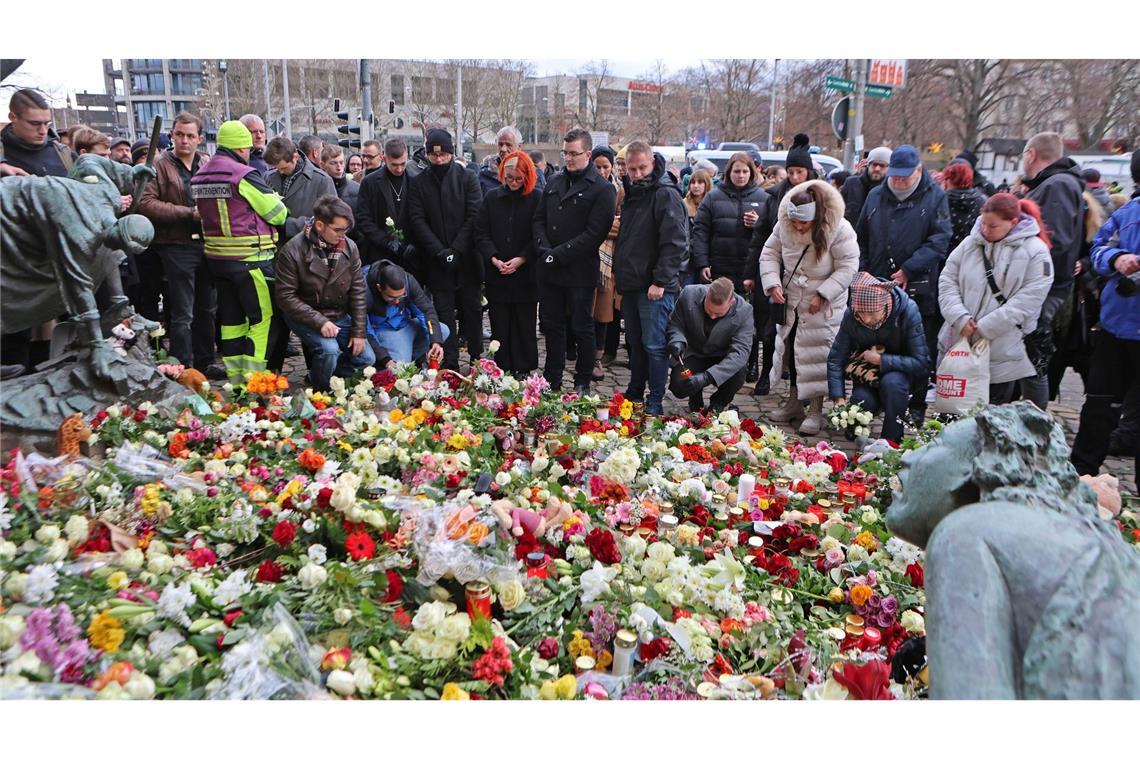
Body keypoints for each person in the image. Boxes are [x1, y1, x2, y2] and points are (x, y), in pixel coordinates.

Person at [856, 143, 951, 422]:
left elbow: (940, 240)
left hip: (917, 286)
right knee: (876, 343)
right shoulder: (875, 195)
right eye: (894, 175)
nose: (897, 180)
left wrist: (909, 268)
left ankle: (916, 404)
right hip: (876, 285)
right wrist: (863, 273)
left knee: (919, 346)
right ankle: (871, 400)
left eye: (904, 176)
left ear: (919, 171)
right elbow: (861, 237)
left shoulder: (934, 197)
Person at [190, 120, 288, 380]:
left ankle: (236, 381)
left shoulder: (200, 175)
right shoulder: (243, 174)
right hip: (251, 260)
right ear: (242, 147)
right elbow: (278, 214)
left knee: (232, 322)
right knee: (262, 319)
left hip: (217, 260)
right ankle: (254, 381)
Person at [760, 179, 859, 435]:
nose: (797, 227)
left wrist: (824, 294)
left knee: (818, 356)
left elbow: (848, 265)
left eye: (803, 223)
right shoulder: (784, 224)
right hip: (792, 301)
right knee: (793, 352)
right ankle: (794, 402)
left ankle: (815, 410)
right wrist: (772, 284)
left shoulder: (840, 229)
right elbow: (769, 254)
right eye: (794, 222)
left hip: (823, 306)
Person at [937, 192, 1055, 406]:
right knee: (951, 411)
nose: (985, 230)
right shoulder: (969, 244)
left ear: (1013, 222)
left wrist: (984, 328)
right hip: (959, 340)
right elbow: (947, 279)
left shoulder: (1036, 252)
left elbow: (1028, 300)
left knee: (988, 413)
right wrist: (959, 316)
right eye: (983, 224)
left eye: (993, 226)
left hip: (1002, 347)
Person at [1071, 158, 1140, 491]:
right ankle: (1080, 476)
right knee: (1099, 405)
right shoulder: (1127, 215)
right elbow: (1098, 250)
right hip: (1116, 328)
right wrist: (1116, 259)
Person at [137, 111, 221, 378]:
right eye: (179, 135)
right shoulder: (159, 165)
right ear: (172, 135)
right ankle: (182, 366)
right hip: (175, 244)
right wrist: (188, 213)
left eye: (190, 136)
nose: (184, 140)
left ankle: (206, 361)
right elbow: (146, 203)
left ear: (199, 138)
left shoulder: (206, 165)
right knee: (183, 310)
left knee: (207, 307)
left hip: (206, 244)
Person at [534, 128, 617, 394]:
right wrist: (544, 248)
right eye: (565, 153)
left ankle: (582, 380)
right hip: (550, 268)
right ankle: (553, 377)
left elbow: (594, 234)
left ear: (588, 154)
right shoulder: (555, 182)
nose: (568, 158)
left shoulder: (602, 189)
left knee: (582, 327)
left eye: (574, 153)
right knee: (554, 326)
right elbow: (539, 219)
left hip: (579, 270)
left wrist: (557, 254)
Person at [613, 141, 687, 415]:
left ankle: (655, 399)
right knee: (636, 343)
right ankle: (635, 391)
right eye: (631, 168)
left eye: (642, 167)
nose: (636, 173)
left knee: (655, 346)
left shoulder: (665, 194)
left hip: (655, 286)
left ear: (653, 162)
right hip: (633, 282)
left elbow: (676, 242)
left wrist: (661, 281)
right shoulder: (633, 191)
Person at [274, 195, 375, 390]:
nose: (343, 235)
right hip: (306, 313)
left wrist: (359, 331)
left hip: (337, 313)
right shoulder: (292, 250)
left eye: (346, 230)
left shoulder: (350, 247)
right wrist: (319, 322)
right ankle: (322, 391)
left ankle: (326, 375)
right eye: (338, 230)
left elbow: (358, 292)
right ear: (319, 226)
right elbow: (285, 296)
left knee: (366, 358)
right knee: (329, 351)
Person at [691, 152, 770, 387]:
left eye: (745, 171)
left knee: (750, 318)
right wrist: (702, 261)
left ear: (752, 172)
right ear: (729, 172)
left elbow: (772, 234)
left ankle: (750, 362)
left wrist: (758, 224)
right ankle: (717, 359)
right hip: (720, 265)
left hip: (749, 267)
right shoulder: (714, 197)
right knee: (718, 315)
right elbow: (701, 231)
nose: (741, 175)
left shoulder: (763, 198)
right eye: (736, 171)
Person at [406, 128, 483, 370]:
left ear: (451, 153)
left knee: (472, 310)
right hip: (435, 259)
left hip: (467, 258)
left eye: (443, 155)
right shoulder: (419, 182)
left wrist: (456, 249)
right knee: (443, 312)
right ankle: (449, 362)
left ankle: (476, 358)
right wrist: (440, 251)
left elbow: (474, 214)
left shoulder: (467, 177)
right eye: (433, 155)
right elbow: (416, 219)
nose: (438, 160)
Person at [1019, 131, 1085, 409]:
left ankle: (1033, 425)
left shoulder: (1057, 186)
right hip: (1043, 288)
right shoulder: (1055, 184)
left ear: (1031, 154)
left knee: (1033, 360)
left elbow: (1054, 242)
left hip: (1043, 291)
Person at [827, 273, 929, 443]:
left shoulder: (908, 311)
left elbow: (921, 363)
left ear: (885, 305)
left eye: (872, 314)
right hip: (868, 376)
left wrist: (882, 360)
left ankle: (891, 440)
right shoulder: (852, 315)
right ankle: (857, 426)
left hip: (901, 374)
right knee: (862, 400)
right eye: (861, 313)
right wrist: (838, 397)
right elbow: (835, 358)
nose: (866, 319)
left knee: (892, 384)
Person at [474, 150, 541, 377]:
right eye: (509, 178)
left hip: (525, 273)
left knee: (524, 321)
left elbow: (538, 236)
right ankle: (501, 365)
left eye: (518, 179)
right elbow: (481, 233)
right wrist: (493, 257)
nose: (513, 183)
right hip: (497, 271)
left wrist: (522, 258)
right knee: (499, 322)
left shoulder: (536, 199)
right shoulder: (492, 197)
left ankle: (523, 366)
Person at [667, 277, 754, 413]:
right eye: (709, 310)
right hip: (694, 353)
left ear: (732, 302)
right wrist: (677, 340)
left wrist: (707, 377)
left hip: (722, 356)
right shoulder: (688, 294)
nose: (712, 316)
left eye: (718, 313)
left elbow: (740, 353)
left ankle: (718, 403)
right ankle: (694, 396)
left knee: (739, 372)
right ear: (707, 295)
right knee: (679, 386)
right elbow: (675, 323)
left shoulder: (745, 311)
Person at [364, 259, 447, 366]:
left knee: (442, 331)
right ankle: (396, 360)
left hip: (406, 323)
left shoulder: (408, 280)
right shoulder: (364, 291)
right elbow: (364, 329)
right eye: (391, 297)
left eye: (401, 296)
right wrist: (384, 358)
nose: (397, 301)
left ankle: (413, 357)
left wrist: (435, 341)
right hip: (383, 329)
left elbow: (426, 311)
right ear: (379, 288)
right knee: (401, 367)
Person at [588, 145, 624, 380]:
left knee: (603, 312)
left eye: (605, 167)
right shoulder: (585, 186)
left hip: (609, 261)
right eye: (597, 166)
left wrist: (602, 228)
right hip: (586, 256)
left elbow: (622, 224)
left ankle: (597, 357)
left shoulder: (619, 190)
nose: (601, 171)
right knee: (583, 310)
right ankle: (584, 352)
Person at [355, 137, 417, 267]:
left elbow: (420, 216)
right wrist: (385, 241)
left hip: (409, 256)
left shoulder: (415, 181)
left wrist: (412, 243)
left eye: (403, 164)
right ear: (384, 158)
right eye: (394, 164)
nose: (399, 169)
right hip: (378, 253)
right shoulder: (369, 182)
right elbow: (363, 217)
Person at [264, 136, 338, 240]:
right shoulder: (269, 176)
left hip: (305, 247)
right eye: (276, 168)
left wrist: (289, 225)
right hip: (274, 247)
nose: (280, 171)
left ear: (295, 157)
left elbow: (330, 218)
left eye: (284, 168)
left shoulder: (322, 180)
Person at [1, 88, 74, 177]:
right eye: (34, 123)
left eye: (47, 123)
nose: (43, 131)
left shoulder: (63, 152)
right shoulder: (2, 154)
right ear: (13, 117)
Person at [477, 126, 545, 195]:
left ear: (519, 147)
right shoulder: (485, 174)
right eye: (500, 144)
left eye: (508, 145)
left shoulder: (533, 174)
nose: (503, 149)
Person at [943, 160, 987, 252]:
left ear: (949, 180)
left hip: (942, 252)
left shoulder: (941, 200)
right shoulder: (981, 201)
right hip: (971, 251)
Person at [841, 146, 890, 225]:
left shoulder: (890, 191)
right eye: (875, 164)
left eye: (882, 165)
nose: (877, 169)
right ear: (868, 165)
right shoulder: (851, 184)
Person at [320, 144, 359, 208]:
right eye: (333, 163)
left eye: (341, 162)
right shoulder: (316, 188)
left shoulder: (357, 188)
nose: (339, 167)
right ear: (322, 165)